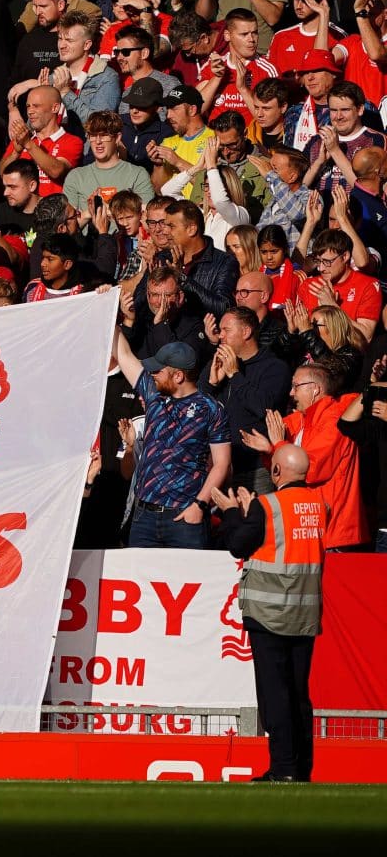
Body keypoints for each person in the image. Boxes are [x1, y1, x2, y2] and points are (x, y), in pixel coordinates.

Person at [212, 441, 323, 783]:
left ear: (276, 471)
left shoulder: (267, 504)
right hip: (305, 614)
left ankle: (284, 769)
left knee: (275, 695)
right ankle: (301, 769)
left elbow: (238, 545)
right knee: (298, 695)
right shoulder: (319, 503)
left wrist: (232, 512)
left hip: (269, 612)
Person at [111, 332, 230, 549]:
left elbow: (222, 464)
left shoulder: (211, 409)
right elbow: (124, 354)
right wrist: (109, 305)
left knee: (187, 581)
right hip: (144, 516)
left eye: (158, 371)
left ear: (178, 376)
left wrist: (199, 506)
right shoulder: (153, 396)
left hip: (184, 517)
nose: (152, 374)